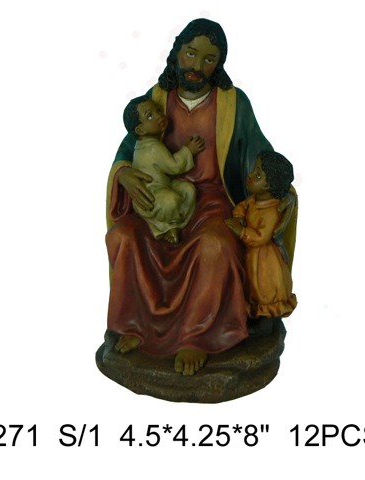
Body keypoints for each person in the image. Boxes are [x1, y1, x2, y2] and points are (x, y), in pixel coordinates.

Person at [105, 18, 297, 376]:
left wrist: (278, 182)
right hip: (158, 202)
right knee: (124, 236)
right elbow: (128, 147)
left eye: (209, 59)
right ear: (176, 52)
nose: (196, 65)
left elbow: (258, 152)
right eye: (190, 53)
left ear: (219, 63)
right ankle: (134, 326)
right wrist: (124, 174)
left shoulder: (233, 103)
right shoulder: (156, 100)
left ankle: (197, 335)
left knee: (215, 246)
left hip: (212, 202)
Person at [225, 151, 298, 319]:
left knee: (265, 289)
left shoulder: (272, 211)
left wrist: (241, 231)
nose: (250, 175)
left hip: (264, 259)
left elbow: (261, 237)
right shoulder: (254, 199)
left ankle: (267, 317)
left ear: (268, 186)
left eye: (257, 175)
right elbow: (242, 207)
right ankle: (255, 312)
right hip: (253, 256)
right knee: (253, 287)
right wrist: (239, 216)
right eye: (253, 171)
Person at [123, 95, 204, 244]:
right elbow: (174, 166)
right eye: (150, 116)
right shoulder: (153, 148)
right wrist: (189, 150)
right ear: (140, 130)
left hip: (163, 186)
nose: (159, 116)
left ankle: (177, 221)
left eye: (158, 110)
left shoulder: (148, 143)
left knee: (188, 189)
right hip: (150, 198)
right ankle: (168, 227)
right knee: (171, 200)